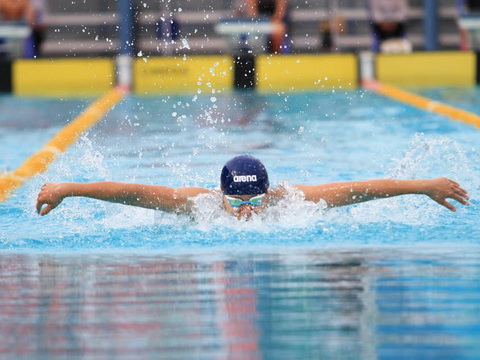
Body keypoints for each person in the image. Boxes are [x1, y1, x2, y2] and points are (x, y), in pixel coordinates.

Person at [36, 155, 470, 220]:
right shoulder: (197, 205)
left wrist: (422, 185)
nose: (247, 209)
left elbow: (362, 189)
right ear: (220, 193)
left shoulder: (292, 203)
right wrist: (68, 188)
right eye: (237, 199)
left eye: (256, 198)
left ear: (270, 191)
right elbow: (130, 191)